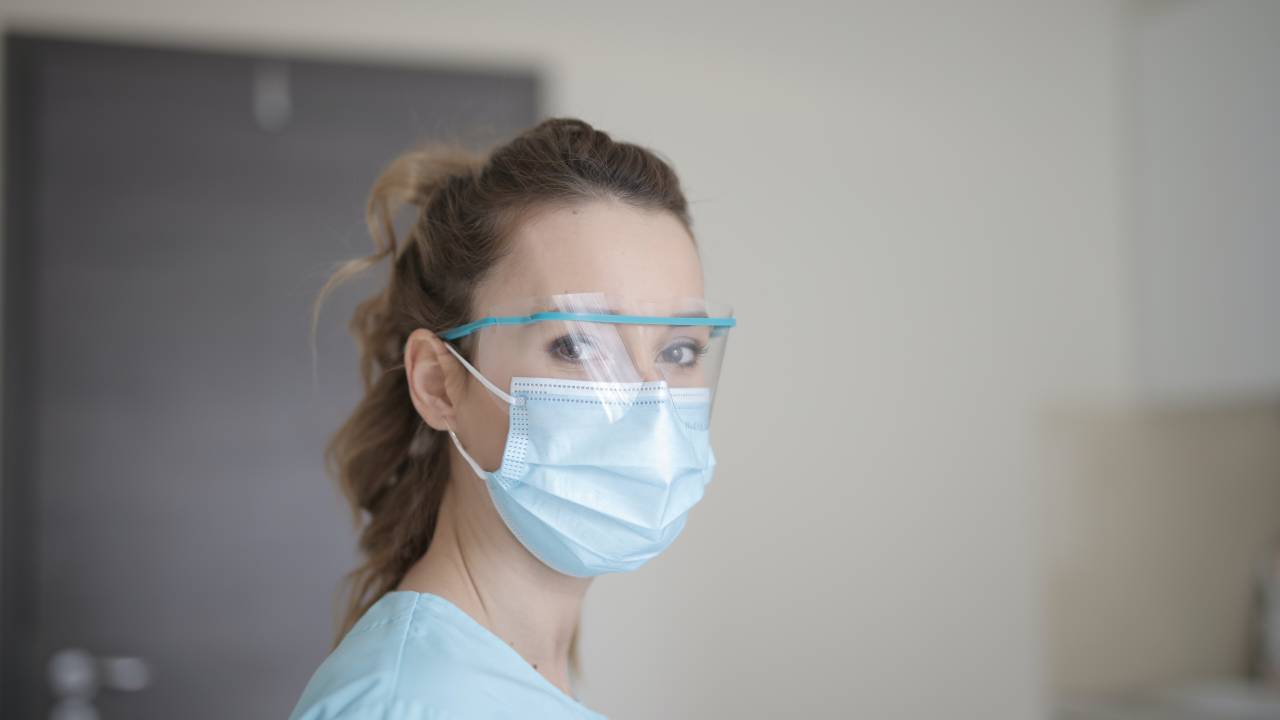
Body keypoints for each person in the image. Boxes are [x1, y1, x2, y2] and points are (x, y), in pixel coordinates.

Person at [289, 117, 735, 719]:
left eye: (679, 351)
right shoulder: (403, 705)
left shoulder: (514, 679)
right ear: (438, 383)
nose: (649, 408)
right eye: (576, 346)